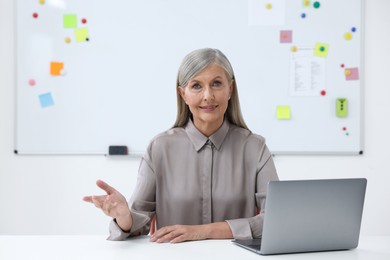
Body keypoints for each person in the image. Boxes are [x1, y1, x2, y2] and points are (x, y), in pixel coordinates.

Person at [83, 48, 279, 243]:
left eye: (216, 84)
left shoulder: (255, 147)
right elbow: (138, 222)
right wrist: (124, 217)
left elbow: (275, 220)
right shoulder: (160, 147)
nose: (207, 96)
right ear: (182, 94)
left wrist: (204, 231)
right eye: (196, 86)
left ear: (230, 89)